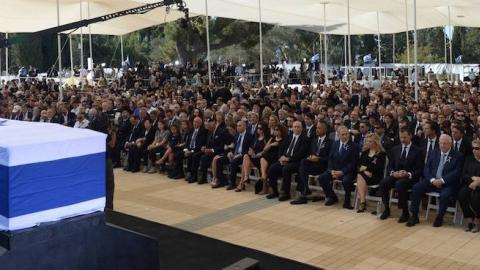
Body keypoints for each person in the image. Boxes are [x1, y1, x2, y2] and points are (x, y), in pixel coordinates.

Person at [407, 134, 463, 228]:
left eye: (445, 143)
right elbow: (426, 168)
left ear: (450, 144)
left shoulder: (457, 155)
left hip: (447, 183)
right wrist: (433, 180)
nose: (442, 145)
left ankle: (439, 217)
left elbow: (457, 172)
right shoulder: (434, 152)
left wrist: (442, 180)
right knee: (416, 188)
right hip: (432, 181)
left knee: (445, 195)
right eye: (440, 143)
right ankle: (414, 215)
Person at [379, 128, 423, 222]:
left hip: (410, 177)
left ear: (410, 136)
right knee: (383, 183)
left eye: (405, 137)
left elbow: (420, 169)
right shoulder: (395, 149)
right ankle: (387, 209)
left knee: (400, 184)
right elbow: (390, 166)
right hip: (396, 175)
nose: (402, 140)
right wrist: (393, 173)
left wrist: (408, 174)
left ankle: (405, 211)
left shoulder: (418, 151)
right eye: (401, 137)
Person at [291, 121, 332, 205]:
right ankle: (305, 191)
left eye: (319, 128)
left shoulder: (330, 142)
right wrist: (310, 157)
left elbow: (330, 158)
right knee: (303, 163)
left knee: (301, 170)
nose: (317, 129)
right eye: (317, 128)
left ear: (325, 130)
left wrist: (318, 159)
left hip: (323, 166)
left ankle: (304, 193)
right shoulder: (314, 140)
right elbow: (309, 153)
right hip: (312, 165)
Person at [318, 126, 359, 209]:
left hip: (348, 171)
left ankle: (347, 201)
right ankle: (332, 197)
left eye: (346, 134)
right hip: (334, 170)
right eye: (342, 134)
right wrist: (331, 170)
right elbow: (330, 158)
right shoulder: (335, 143)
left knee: (346, 180)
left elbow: (353, 163)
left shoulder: (354, 146)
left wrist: (342, 172)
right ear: (339, 135)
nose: (345, 136)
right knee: (322, 178)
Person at [267, 121, 309, 201]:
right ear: (292, 128)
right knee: (272, 168)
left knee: (286, 169)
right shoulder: (288, 136)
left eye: (298, 127)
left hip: (296, 162)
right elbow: (281, 149)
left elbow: (301, 153)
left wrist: (288, 159)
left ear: (302, 128)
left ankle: (286, 193)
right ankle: (275, 192)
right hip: (284, 159)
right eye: (295, 127)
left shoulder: (305, 139)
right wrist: (281, 157)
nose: (296, 128)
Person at [217, 120, 253, 190]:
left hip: (244, 156)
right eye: (237, 126)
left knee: (234, 163)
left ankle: (232, 183)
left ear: (245, 126)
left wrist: (240, 154)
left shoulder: (249, 136)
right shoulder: (237, 135)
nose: (238, 127)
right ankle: (222, 181)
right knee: (219, 160)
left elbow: (250, 149)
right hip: (235, 154)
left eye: (240, 126)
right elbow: (234, 145)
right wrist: (230, 152)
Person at [355, 134, 387, 213]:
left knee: (360, 176)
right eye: (367, 141)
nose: (368, 143)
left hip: (375, 176)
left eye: (370, 141)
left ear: (376, 142)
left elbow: (379, 167)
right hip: (364, 175)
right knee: (360, 175)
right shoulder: (365, 152)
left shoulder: (381, 154)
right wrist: (365, 171)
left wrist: (366, 168)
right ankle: (363, 201)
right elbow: (359, 165)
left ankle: (363, 203)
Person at [237, 123, 267, 192]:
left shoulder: (266, 139)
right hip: (254, 157)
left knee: (245, 163)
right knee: (245, 156)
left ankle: (242, 183)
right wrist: (251, 151)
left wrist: (255, 154)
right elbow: (251, 147)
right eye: (258, 128)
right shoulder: (255, 138)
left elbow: (265, 151)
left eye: (260, 128)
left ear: (263, 130)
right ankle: (246, 177)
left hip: (261, 158)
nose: (258, 130)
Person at [458, 140, 480, 232]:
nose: (474, 150)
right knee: (461, 195)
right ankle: (469, 218)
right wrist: (472, 179)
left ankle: (478, 220)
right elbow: (464, 174)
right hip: (470, 184)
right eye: (473, 148)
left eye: (477, 148)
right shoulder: (468, 159)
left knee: (476, 198)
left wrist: (478, 182)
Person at [258, 125, 288, 195]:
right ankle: (263, 175)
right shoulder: (272, 138)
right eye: (274, 129)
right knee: (263, 158)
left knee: (265, 164)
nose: (275, 131)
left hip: (277, 157)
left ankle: (265, 183)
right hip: (269, 156)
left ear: (281, 131)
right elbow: (265, 149)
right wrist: (271, 145)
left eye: (277, 129)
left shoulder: (285, 139)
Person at [184, 117, 208, 183]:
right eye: (194, 121)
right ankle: (185, 173)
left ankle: (194, 176)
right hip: (190, 150)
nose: (194, 123)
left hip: (198, 150)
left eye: (196, 122)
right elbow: (187, 143)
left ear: (200, 123)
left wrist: (191, 151)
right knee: (180, 154)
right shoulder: (191, 130)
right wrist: (186, 150)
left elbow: (199, 145)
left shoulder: (203, 131)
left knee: (194, 155)